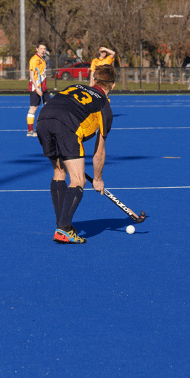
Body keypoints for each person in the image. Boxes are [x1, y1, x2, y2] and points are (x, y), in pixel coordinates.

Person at [37, 64, 116, 244]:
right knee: (78, 179)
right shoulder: (105, 105)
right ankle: (64, 229)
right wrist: (97, 178)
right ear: (112, 86)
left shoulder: (73, 87)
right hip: (67, 125)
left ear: (94, 80)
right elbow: (99, 153)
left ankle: (62, 225)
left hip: (43, 119)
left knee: (59, 172)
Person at [27, 44, 48, 137]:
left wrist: (43, 88)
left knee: (49, 106)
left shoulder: (43, 60)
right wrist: (37, 89)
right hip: (35, 88)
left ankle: (46, 128)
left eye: (44, 49)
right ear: (37, 49)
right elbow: (32, 75)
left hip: (43, 87)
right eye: (41, 49)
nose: (43, 50)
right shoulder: (34, 59)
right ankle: (30, 131)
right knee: (33, 108)